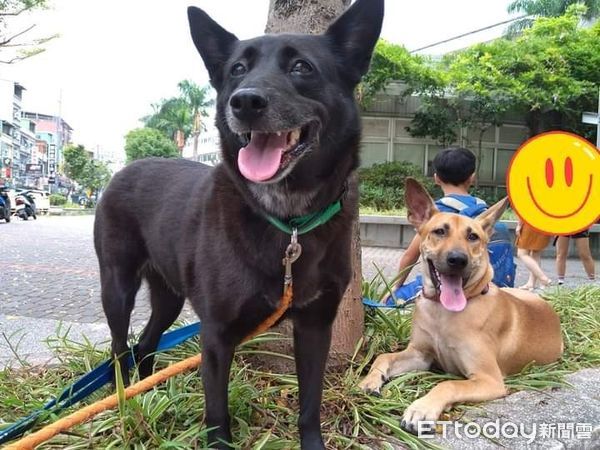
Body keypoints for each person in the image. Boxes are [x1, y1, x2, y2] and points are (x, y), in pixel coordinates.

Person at [391, 147, 487, 290]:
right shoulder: (485, 213)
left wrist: (393, 289)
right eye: (441, 233)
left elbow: (410, 256)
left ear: (436, 178)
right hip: (489, 287)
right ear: (472, 178)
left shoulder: (438, 216)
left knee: (396, 299)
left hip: (462, 285)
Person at [515, 221, 552, 290]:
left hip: (530, 224)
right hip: (544, 224)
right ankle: (531, 283)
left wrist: (519, 225)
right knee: (536, 253)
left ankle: (543, 278)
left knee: (522, 253)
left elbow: (524, 211)